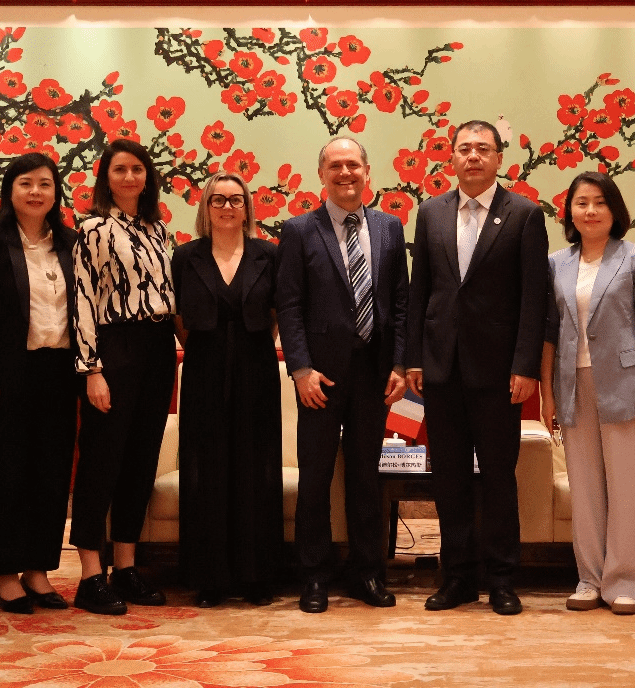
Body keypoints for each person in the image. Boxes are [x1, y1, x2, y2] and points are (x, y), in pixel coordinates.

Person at [406, 120, 550, 615]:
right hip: (441, 369)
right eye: (464, 148)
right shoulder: (430, 212)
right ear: (451, 157)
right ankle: (458, 578)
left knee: (497, 477)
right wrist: (414, 359)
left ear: (498, 158)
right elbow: (420, 290)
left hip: (499, 373)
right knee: (448, 479)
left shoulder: (524, 214)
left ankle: (502, 579)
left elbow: (533, 298)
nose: (473, 156)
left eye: (482, 149)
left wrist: (525, 365)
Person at [276, 137, 409, 613]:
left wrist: (399, 364)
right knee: (314, 478)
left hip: (375, 374)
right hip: (320, 378)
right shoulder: (298, 230)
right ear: (322, 175)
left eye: (353, 164)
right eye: (335, 166)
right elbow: (289, 304)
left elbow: (400, 302)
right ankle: (314, 576)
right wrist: (300, 369)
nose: (345, 173)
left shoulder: (390, 227)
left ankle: (366, 573)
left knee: (365, 478)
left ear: (367, 172)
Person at [540, 171, 635, 615]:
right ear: (570, 212)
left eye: (599, 202)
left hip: (627, 385)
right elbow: (549, 334)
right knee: (585, 489)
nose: (590, 211)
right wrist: (547, 393)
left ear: (615, 210)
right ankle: (590, 579)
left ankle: (628, 581)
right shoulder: (556, 263)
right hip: (572, 384)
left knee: (628, 487)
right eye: (581, 203)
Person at [0, 152, 77, 615]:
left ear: (56, 192)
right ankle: (5, 576)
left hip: (59, 373)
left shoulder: (69, 242)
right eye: (26, 183)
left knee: (51, 474)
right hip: (5, 377)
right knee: (5, 475)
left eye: (45, 184)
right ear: (10, 190)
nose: (35, 192)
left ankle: (38, 570)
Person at [70, 139, 177, 615]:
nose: (130, 177)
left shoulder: (158, 229)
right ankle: (90, 573)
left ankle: (126, 567)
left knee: (141, 459)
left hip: (158, 348)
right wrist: (92, 370)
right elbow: (82, 300)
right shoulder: (92, 228)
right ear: (106, 178)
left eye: (137, 169)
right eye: (120, 170)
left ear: (147, 176)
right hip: (114, 348)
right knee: (101, 460)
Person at [172, 172, 283, 608]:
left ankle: (257, 575)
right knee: (206, 469)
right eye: (217, 199)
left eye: (236, 200)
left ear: (247, 208)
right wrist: (209, 348)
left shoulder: (268, 255)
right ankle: (210, 577)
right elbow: (177, 317)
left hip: (257, 368)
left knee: (257, 467)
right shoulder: (185, 257)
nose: (227, 207)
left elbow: (276, 313)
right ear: (206, 207)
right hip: (203, 370)